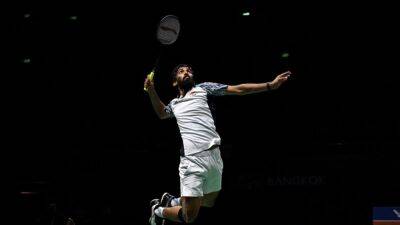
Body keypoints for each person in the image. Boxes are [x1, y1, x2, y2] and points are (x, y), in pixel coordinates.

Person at [144, 64, 291, 224]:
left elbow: (239, 89)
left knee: (208, 201)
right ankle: (158, 211)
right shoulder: (174, 104)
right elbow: (161, 113)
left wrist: (270, 85)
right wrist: (151, 90)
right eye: (181, 71)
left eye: (189, 70)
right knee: (189, 216)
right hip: (191, 160)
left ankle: (173, 201)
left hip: (214, 155)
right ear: (175, 82)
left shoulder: (204, 89)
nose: (186, 72)